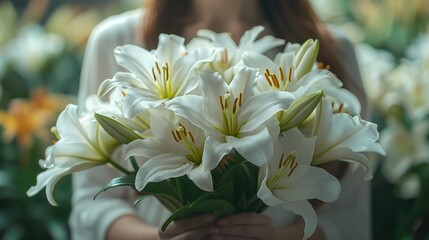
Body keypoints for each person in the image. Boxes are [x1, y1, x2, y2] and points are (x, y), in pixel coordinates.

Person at [70, 0, 371, 239]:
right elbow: (89, 206)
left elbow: (353, 222)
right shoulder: (115, 39)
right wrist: (157, 238)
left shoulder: (333, 49)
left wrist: (280, 238)